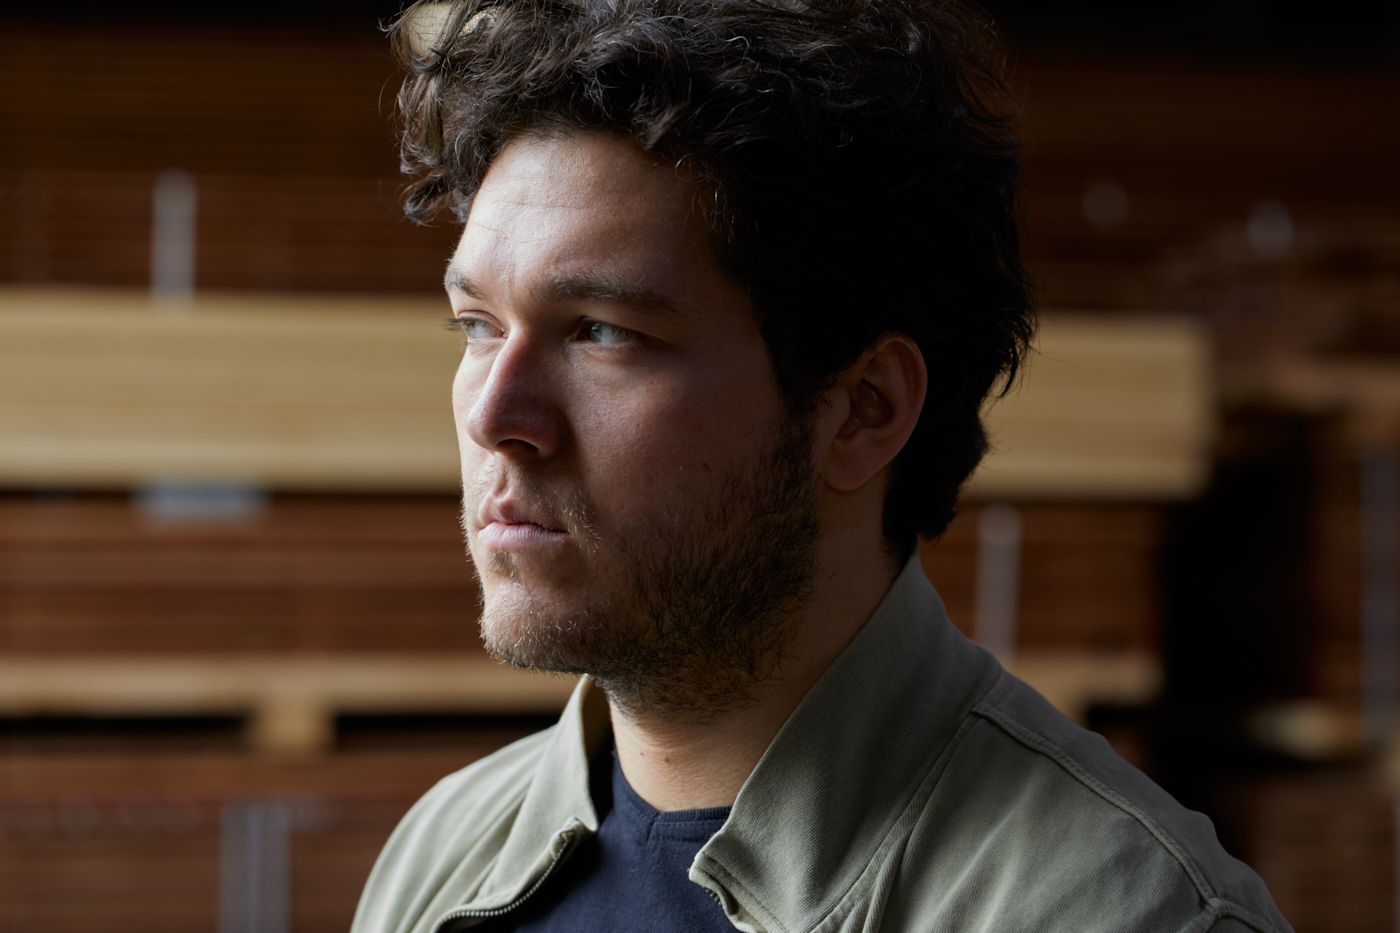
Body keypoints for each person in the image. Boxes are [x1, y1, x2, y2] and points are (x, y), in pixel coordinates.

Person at [353, 1, 1292, 930]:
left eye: (604, 332)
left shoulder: (1124, 913)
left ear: (863, 410)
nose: (493, 416)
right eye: (478, 325)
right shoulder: (440, 855)